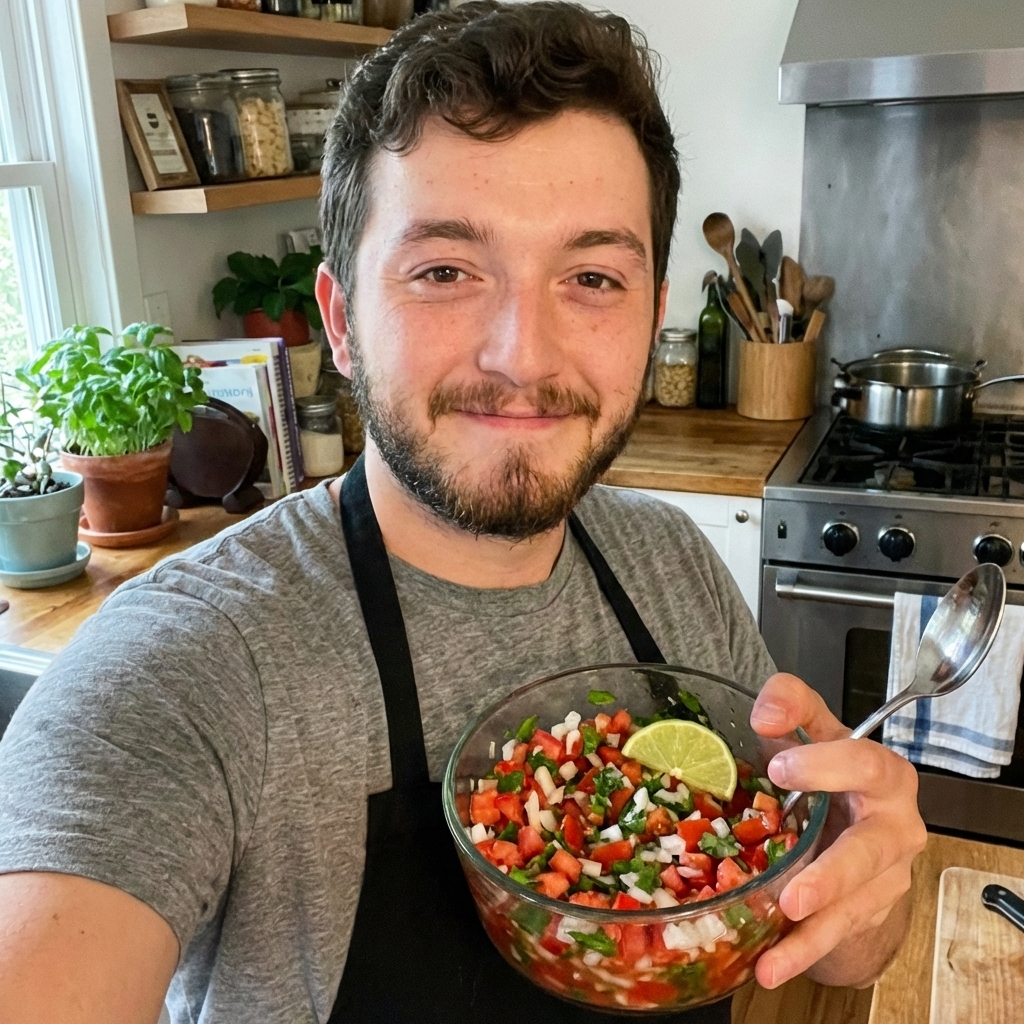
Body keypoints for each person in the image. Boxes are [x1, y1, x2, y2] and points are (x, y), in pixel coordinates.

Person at [0, 4, 926, 1023]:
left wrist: (856, 866)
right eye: (444, 270)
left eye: (590, 278)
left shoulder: (669, 563)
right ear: (342, 320)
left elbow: (839, 949)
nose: (521, 355)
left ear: (650, 315)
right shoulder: (187, 667)